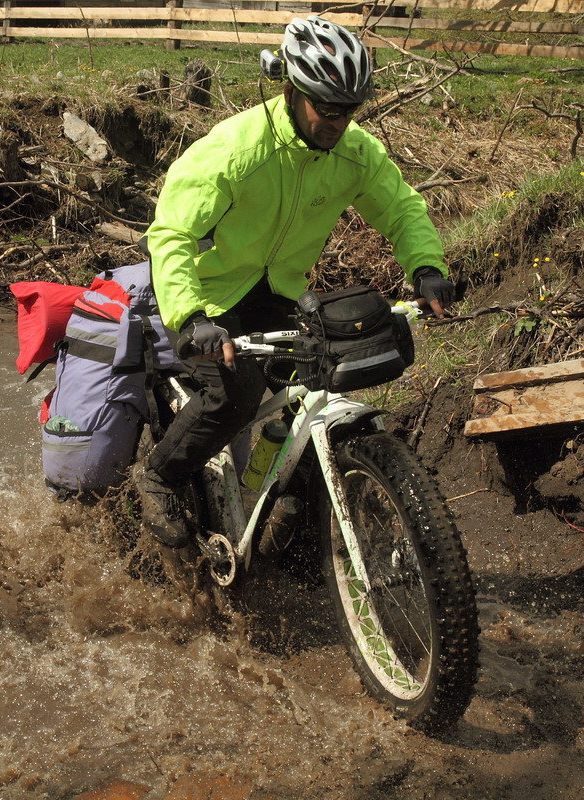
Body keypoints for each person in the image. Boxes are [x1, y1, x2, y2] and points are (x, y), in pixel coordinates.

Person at [136, 15, 456, 547]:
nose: (337, 122)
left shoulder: (355, 154)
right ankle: (157, 477)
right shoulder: (239, 148)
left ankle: (287, 499)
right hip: (208, 295)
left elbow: (401, 209)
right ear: (292, 89)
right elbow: (171, 233)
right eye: (326, 108)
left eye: (349, 110)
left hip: (282, 293)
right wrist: (191, 318)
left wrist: (427, 269)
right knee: (234, 396)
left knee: (319, 384)